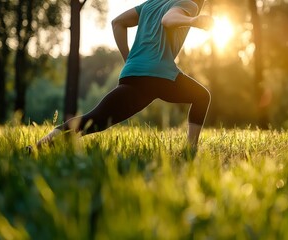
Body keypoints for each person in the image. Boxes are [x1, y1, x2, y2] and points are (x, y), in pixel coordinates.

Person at [30, 0, 213, 152]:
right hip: (159, 75)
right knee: (202, 96)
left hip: (132, 74)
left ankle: (38, 148)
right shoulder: (189, 3)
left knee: (96, 119)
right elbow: (168, 19)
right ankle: (190, 150)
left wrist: (130, 60)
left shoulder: (151, 4)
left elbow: (117, 22)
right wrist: (194, 20)